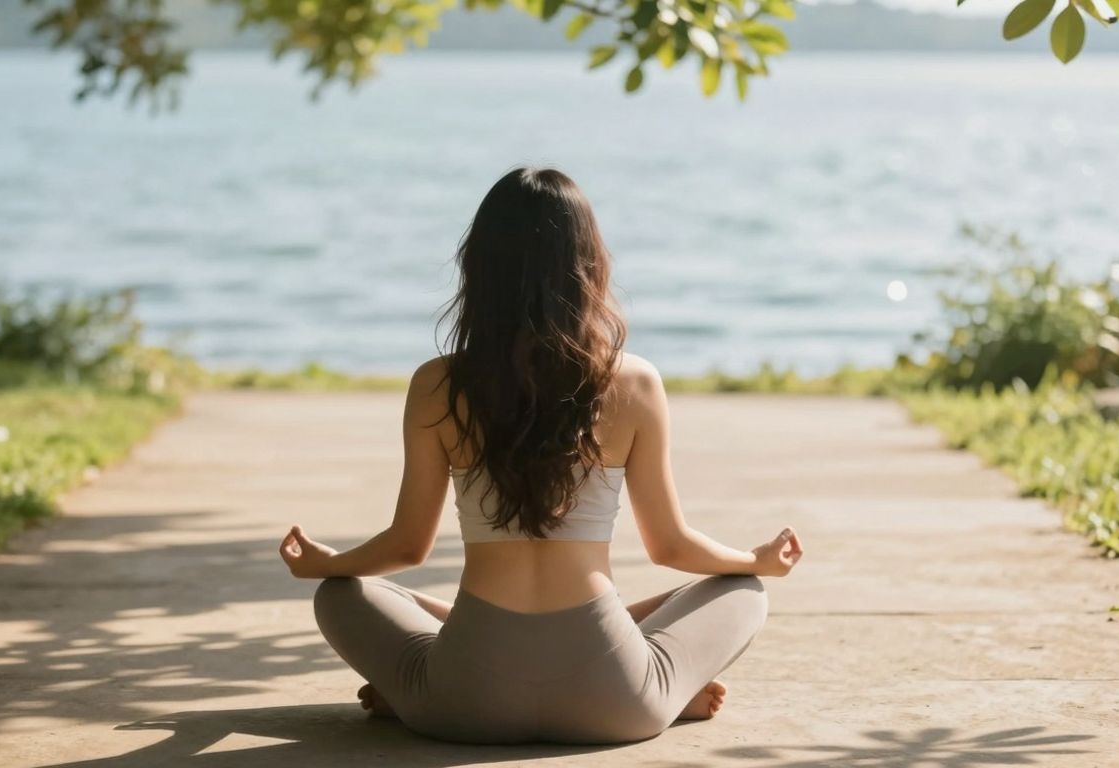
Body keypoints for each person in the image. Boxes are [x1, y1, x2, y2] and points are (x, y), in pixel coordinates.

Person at [279, 166, 804, 745]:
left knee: (343, 592)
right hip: (616, 702)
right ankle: (670, 688)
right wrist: (754, 560)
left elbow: (407, 546)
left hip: (460, 703)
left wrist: (326, 564)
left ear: (479, 268)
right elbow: (671, 547)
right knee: (741, 590)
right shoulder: (634, 383)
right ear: (590, 265)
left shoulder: (437, 385)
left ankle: (410, 690)